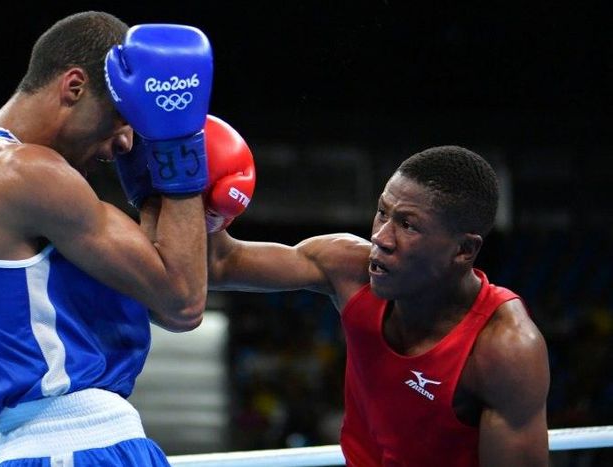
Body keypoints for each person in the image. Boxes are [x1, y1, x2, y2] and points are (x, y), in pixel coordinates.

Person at [0, 11, 220, 466]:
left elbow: (175, 290)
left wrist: (331, 263)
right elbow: (183, 300)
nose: (127, 143)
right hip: (76, 446)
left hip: (54, 446)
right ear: (74, 87)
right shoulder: (24, 174)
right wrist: (177, 147)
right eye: (123, 117)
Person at [207, 144, 550, 466]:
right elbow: (219, 263)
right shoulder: (347, 268)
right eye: (382, 213)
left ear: (463, 250)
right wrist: (198, 186)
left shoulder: (504, 350)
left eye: (407, 225)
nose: (381, 238)